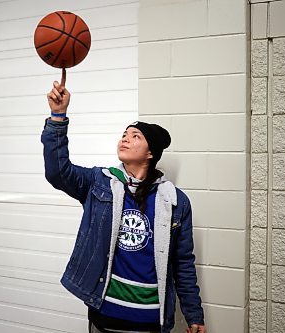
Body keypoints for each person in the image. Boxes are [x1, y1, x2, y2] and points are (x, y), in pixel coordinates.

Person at [41, 76, 205, 333]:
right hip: (105, 313)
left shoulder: (175, 201)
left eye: (135, 135)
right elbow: (57, 172)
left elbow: (183, 262)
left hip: (150, 320)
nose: (125, 139)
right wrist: (57, 117)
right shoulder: (99, 182)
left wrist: (194, 314)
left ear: (151, 153)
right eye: (124, 134)